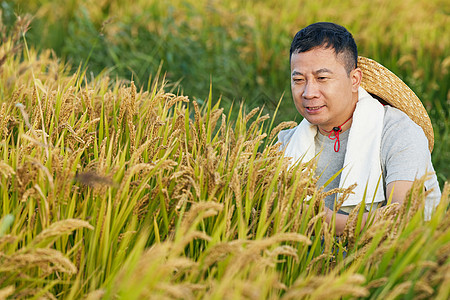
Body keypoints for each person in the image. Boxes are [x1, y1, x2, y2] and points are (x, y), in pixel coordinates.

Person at [278, 22, 441, 234]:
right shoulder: (286, 143)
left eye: (322, 78)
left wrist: (323, 221)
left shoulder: (398, 132)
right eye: (298, 80)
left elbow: (403, 216)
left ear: (354, 80)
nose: (309, 92)